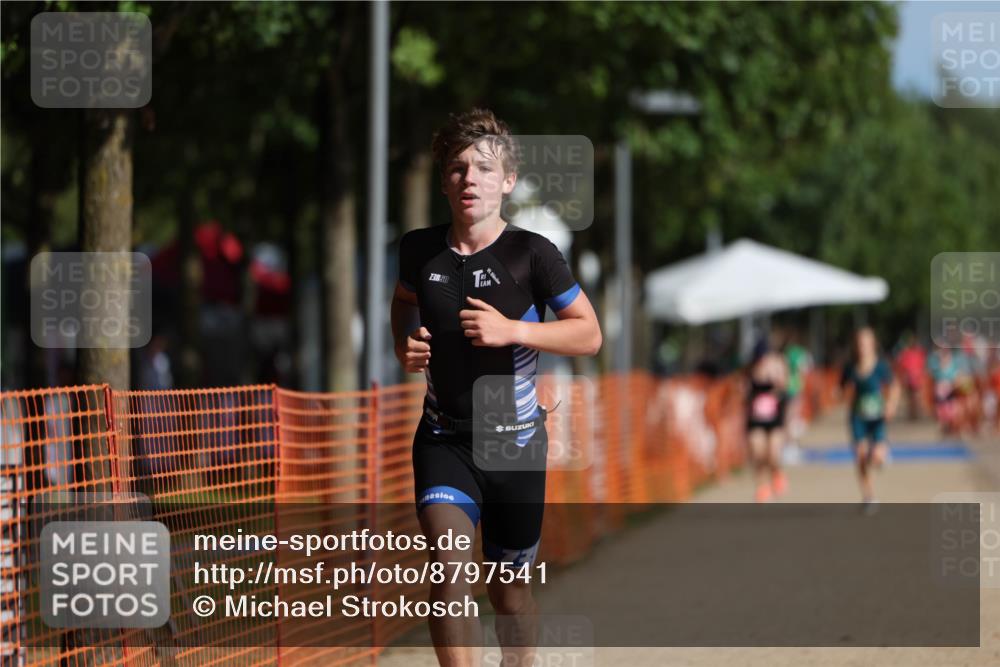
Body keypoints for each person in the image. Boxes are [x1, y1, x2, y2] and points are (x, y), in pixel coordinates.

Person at [390, 109, 602, 667]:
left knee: (507, 590)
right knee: (449, 574)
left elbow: (589, 334)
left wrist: (512, 330)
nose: (470, 180)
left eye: (484, 169)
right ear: (443, 182)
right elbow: (404, 302)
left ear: (507, 181)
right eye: (458, 169)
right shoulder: (419, 249)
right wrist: (403, 343)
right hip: (444, 439)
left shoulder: (532, 254)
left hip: (515, 443)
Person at [841, 327, 900, 514]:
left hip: (877, 418)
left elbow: (895, 386)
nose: (863, 347)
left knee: (875, 457)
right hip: (858, 417)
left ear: (873, 344)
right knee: (860, 456)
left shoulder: (881, 366)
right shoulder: (850, 367)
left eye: (866, 343)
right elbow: (842, 388)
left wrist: (891, 404)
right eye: (859, 343)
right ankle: (869, 496)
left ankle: (881, 454)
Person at [745, 338, 789, 503]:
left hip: (774, 419)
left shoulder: (776, 366)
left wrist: (776, 380)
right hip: (755, 419)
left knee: (772, 453)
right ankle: (762, 487)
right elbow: (743, 391)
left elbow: (786, 388)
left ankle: (777, 472)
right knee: (758, 453)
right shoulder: (750, 370)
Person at [894, 332, 927, 421]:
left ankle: (916, 413)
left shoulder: (919, 352)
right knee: (911, 397)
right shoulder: (906, 353)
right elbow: (902, 365)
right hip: (910, 378)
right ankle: (912, 414)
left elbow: (922, 365)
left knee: (916, 396)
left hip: (916, 377)